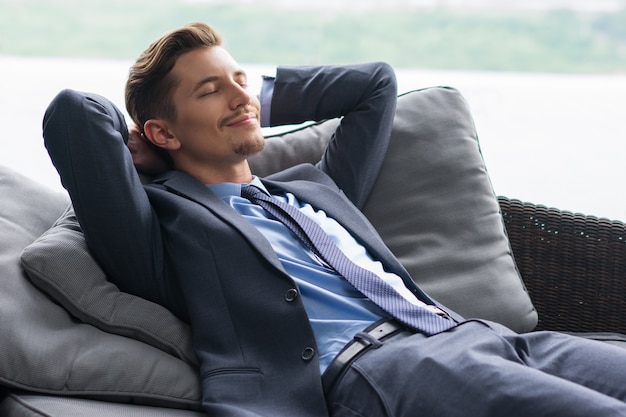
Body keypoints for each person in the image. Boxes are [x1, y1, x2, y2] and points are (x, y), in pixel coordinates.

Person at [43, 22, 626, 417]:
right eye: (210, 91)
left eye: (240, 80)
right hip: (383, 368)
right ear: (164, 132)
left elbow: (376, 85)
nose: (238, 97)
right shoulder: (168, 224)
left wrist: (252, 99)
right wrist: (138, 144)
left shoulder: (313, 187)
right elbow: (72, 115)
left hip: (480, 336)